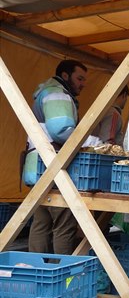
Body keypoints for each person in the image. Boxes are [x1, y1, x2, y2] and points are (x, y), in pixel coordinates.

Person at [23, 59, 87, 254]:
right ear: (65, 76)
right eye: (80, 78)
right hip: (53, 167)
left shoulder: (45, 91)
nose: (83, 84)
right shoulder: (57, 94)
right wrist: (90, 141)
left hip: (38, 168)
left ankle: (36, 271)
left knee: (41, 222)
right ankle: (61, 273)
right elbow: (61, 129)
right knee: (63, 223)